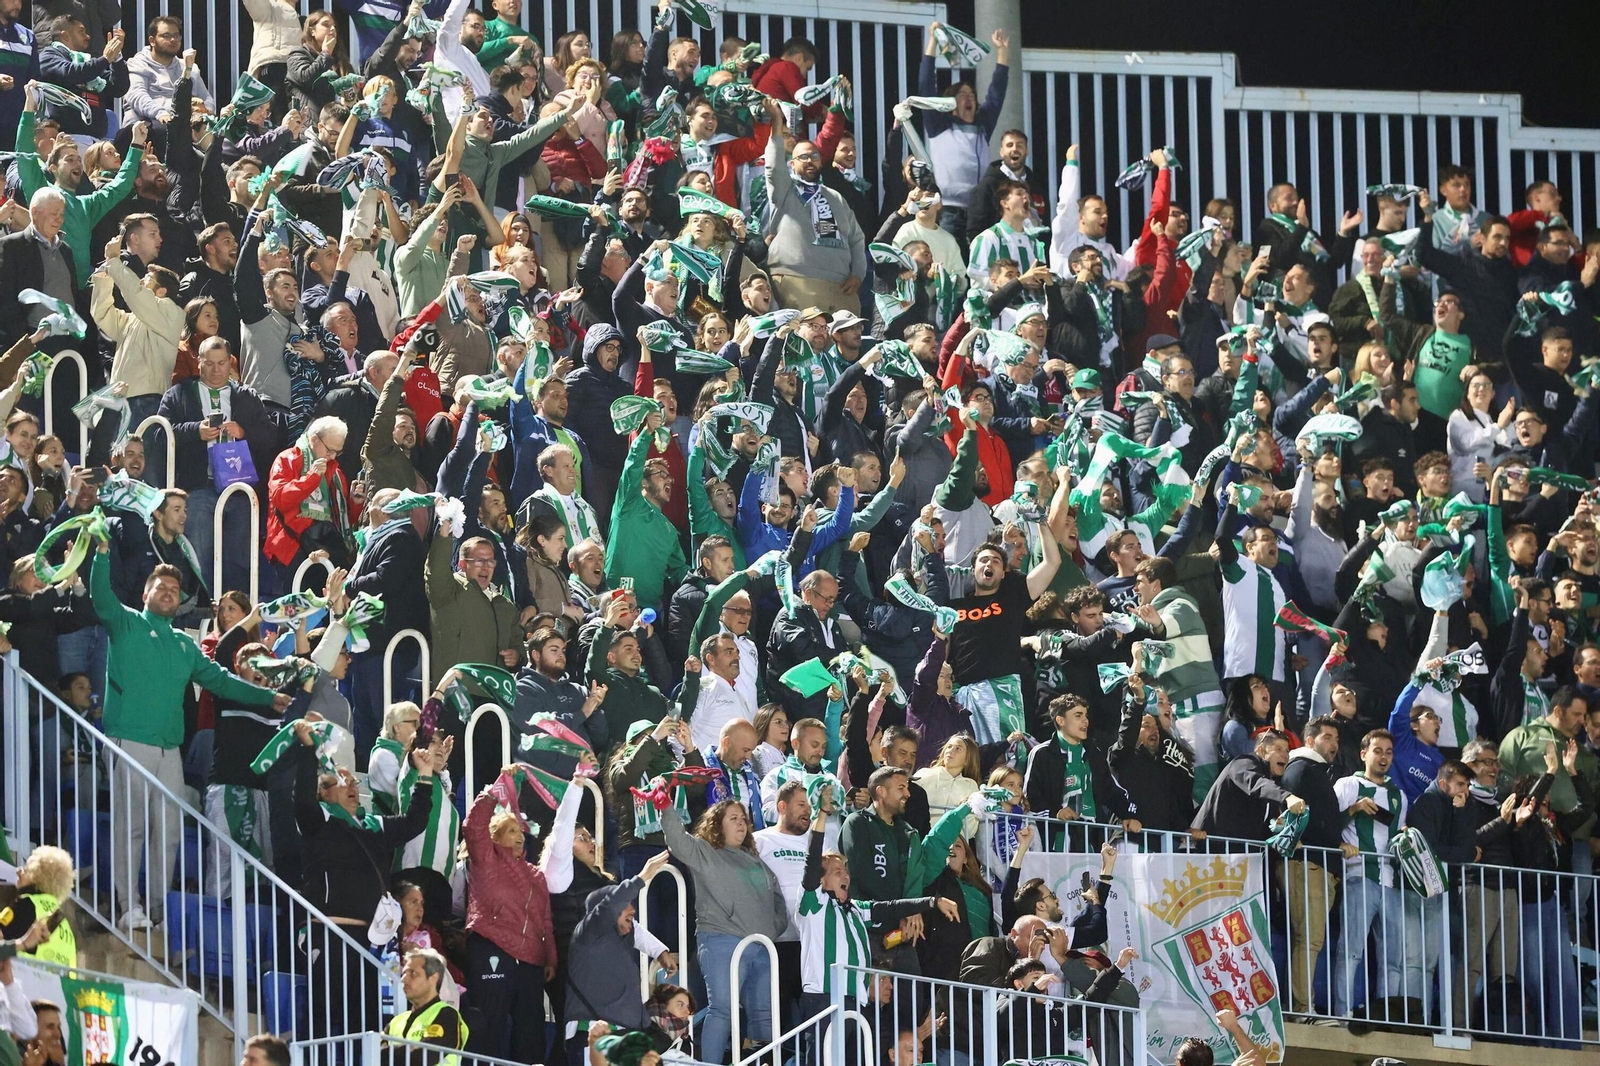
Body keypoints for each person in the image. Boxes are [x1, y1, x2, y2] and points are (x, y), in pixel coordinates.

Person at [659, 800, 788, 1064]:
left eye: (743, 819)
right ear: (717, 825)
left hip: (762, 946)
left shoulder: (756, 861)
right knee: (723, 1010)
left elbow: (777, 900)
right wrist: (666, 807)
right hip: (722, 940)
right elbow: (676, 840)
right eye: (733, 818)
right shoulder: (705, 851)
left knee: (764, 1015)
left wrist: (772, 928)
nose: (741, 823)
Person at [387, 949, 469, 1057]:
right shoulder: (396, 1021)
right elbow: (374, 1054)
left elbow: (424, 1056)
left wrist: (388, 1054)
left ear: (433, 978)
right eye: (404, 973)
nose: (403, 979)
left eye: (413, 973)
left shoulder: (447, 1015)